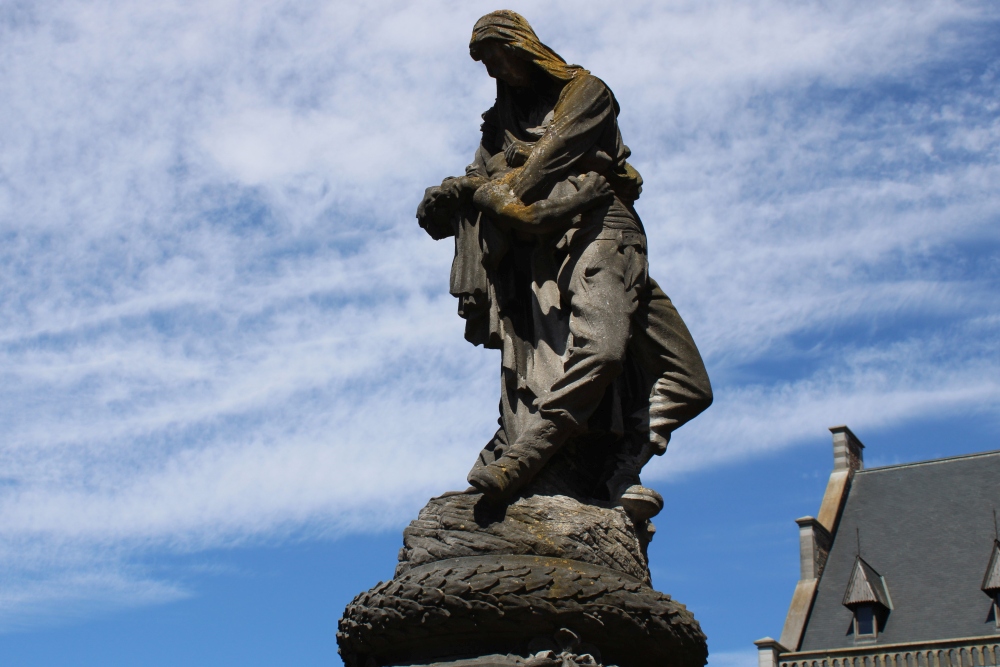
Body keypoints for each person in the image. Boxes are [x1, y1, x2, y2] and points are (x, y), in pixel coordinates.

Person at [417, 11, 712, 519]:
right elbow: (480, 174)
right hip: (551, 252)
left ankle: (594, 462)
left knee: (684, 381)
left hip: (604, 232)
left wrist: (499, 195)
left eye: (496, 58)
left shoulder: (587, 92)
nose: (493, 72)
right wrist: (456, 194)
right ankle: (573, 466)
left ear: (521, 45)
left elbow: (545, 162)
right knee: (592, 352)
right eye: (484, 65)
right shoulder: (501, 119)